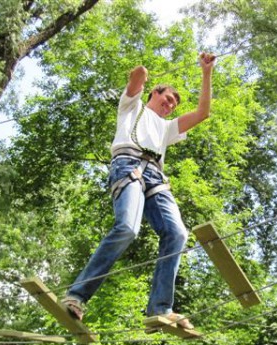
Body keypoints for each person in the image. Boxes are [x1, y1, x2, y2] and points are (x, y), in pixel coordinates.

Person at [61, 52, 216, 330]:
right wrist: (143, 74)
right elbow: (137, 78)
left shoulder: (169, 128)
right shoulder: (132, 108)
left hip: (156, 175)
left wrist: (207, 73)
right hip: (128, 165)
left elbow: (203, 113)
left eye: (173, 105)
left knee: (177, 233)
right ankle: (76, 296)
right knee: (127, 228)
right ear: (155, 93)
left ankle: (160, 309)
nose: (170, 106)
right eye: (168, 98)